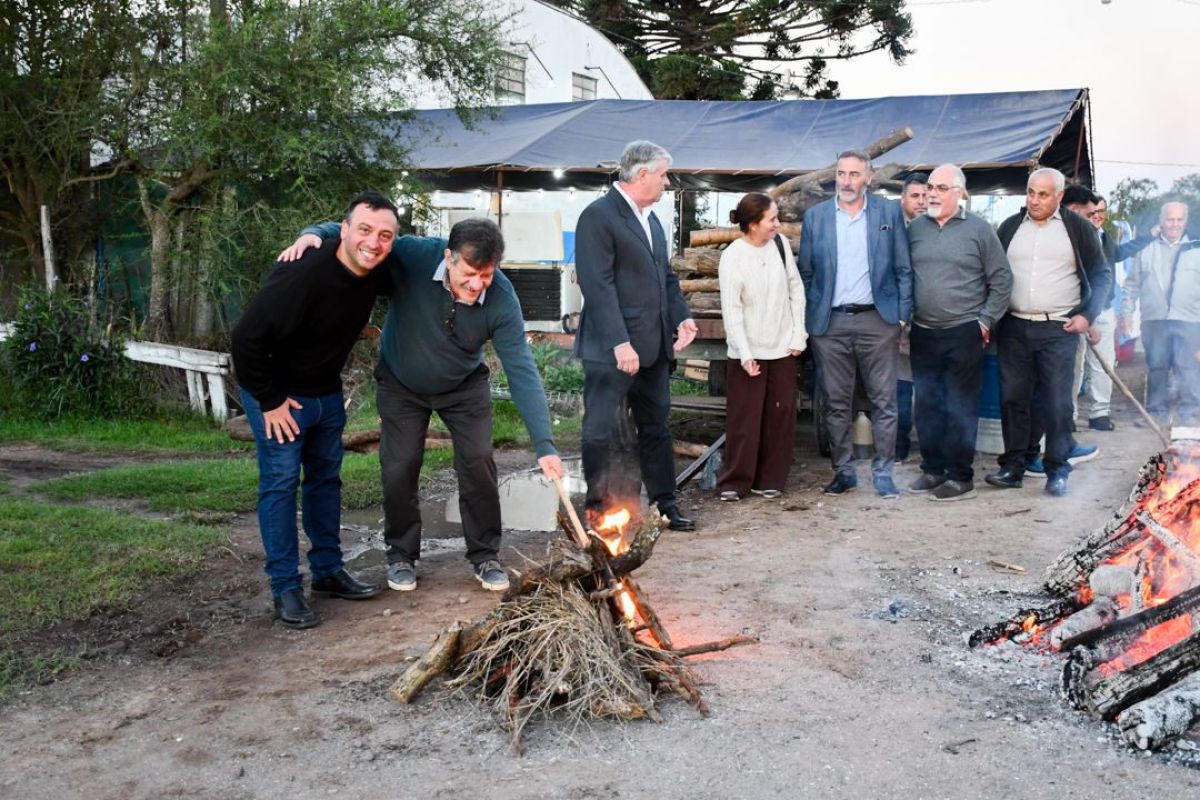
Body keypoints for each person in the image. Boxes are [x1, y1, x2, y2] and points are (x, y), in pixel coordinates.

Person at [281, 218, 564, 594]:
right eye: (469, 272)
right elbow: (362, 232)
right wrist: (314, 234)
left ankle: (484, 556)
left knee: (478, 461)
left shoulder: (502, 299)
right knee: (399, 466)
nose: (477, 283)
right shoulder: (414, 255)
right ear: (448, 257)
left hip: (464, 387)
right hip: (402, 383)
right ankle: (401, 555)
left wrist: (544, 445)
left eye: (487, 274)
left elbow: (522, 371)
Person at [232, 191, 396, 629]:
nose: (374, 243)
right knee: (282, 483)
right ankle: (285, 586)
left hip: (325, 395)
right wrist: (269, 401)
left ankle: (327, 571)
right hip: (278, 394)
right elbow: (245, 339)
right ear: (343, 231)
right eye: (364, 230)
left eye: (384, 235)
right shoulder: (302, 271)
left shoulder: (375, 269)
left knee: (325, 481)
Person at [574, 140, 698, 531]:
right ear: (642, 174)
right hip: (612, 349)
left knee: (656, 428)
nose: (666, 182)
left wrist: (683, 316)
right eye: (662, 175)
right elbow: (597, 284)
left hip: (655, 346)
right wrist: (620, 342)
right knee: (600, 430)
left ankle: (664, 502)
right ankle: (598, 509)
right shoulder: (598, 216)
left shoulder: (652, 220)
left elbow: (666, 276)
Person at [985, 168, 1110, 498]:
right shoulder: (1010, 227)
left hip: (1059, 327)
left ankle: (1057, 468)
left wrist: (1087, 315)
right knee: (1013, 398)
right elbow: (994, 275)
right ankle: (1013, 466)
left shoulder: (1077, 228)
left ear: (1058, 197)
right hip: (1014, 326)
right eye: (1030, 193)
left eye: (1043, 194)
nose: (1035, 200)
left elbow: (1101, 276)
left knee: (1056, 403)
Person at [797, 148, 912, 498]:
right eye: (841, 174)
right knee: (834, 401)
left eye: (853, 174)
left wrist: (902, 316)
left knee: (884, 400)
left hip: (878, 321)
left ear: (869, 177)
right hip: (829, 324)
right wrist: (811, 314)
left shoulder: (888, 212)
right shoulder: (816, 217)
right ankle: (844, 472)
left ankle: (883, 474)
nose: (846, 181)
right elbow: (806, 272)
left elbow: (903, 268)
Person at [906, 164, 1012, 501]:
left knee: (959, 405)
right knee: (926, 404)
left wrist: (985, 321)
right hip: (922, 331)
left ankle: (959, 475)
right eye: (929, 188)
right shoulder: (916, 229)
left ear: (959, 193)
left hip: (963, 332)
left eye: (939, 188)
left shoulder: (979, 230)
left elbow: (1002, 280)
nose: (931, 194)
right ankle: (933, 469)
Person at [714, 193, 807, 502]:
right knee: (745, 419)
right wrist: (744, 353)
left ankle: (771, 478)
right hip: (747, 349)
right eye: (772, 219)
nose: (777, 224)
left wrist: (798, 335)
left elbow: (796, 290)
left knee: (780, 417)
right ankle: (736, 480)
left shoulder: (779, 246)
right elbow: (732, 309)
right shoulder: (733, 257)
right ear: (753, 224)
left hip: (782, 347)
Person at [1120, 201, 1200, 424]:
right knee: (1157, 366)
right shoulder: (1146, 248)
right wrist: (1127, 313)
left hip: (1190, 320)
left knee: (1189, 367)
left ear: (1185, 222)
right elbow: (1132, 283)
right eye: (1169, 219)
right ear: (1161, 221)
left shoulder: (1196, 248)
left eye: (1179, 219)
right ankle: (1156, 413)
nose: (1174, 224)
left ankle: (1190, 414)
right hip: (1154, 320)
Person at [1082, 195, 1156, 431]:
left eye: (1101, 211)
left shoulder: (1105, 238)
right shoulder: (1075, 237)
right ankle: (1068, 415)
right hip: (1077, 312)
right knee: (1073, 368)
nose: (1097, 216)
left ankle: (1099, 413)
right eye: (1092, 211)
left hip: (1103, 311)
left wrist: (1149, 237)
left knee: (1104, 365)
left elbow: (1122, 253)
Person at [895, 172, 929, 462]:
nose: (921, 202)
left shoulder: (936, 228)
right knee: (900, 384)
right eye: (915, 196)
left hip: (932, 319)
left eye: (925, 196)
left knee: (931, 387)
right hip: (900, 321)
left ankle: (931, 449)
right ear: (902, 199)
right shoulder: (893, 230)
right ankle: (899, 445)